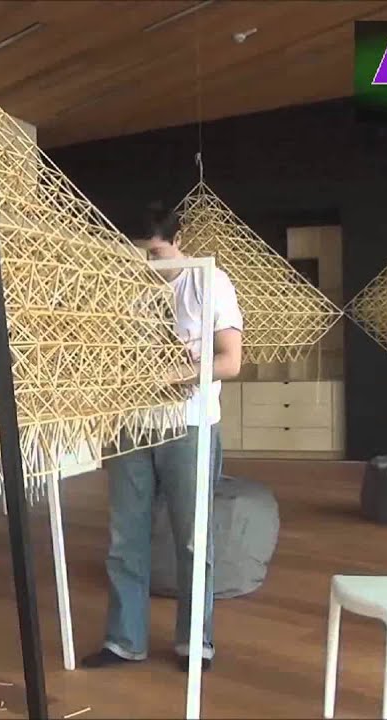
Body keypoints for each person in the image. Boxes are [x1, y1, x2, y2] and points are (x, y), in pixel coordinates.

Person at [81, 202, 244, 672]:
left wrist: (176, 372)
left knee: (194, 540)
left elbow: (231, 361)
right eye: (140, 255)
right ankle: (123, 640)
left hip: (189, 425)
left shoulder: (209, 282)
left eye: (155, 252)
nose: (150, 264)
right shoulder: (126, 287)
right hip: (131, 425)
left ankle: (196, 643)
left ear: (178, 239)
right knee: (124, 538)